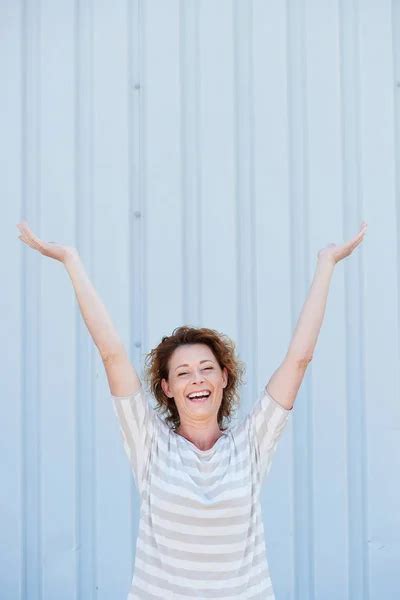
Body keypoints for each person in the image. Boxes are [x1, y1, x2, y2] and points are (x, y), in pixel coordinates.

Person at [16, 220, 368, 599]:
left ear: (224, 379)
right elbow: (111, 353)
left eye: (206, 369)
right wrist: (71, 260)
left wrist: (326, 264)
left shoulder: (250, 444)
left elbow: (300, 358)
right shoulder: (150, 444)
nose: (196, 379)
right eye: (182, 373)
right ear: (167, 388)